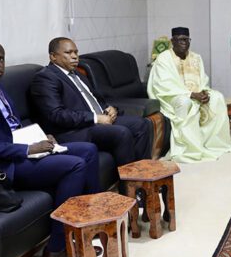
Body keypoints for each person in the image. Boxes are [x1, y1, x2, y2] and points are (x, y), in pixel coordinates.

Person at [0, 37, 101, 257]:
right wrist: (27, 149)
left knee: (88, 150)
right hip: (0, 164)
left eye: (0, 59)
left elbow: (13, 127)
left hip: (18, 149)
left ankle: (90, 224)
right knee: (74, 165)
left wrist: (41, 137)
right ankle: (57, 247)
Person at [30, 37, 152, 166]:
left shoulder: (76, 74)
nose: (74, 57)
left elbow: (96, 99)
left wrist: (110, 109)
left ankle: (144, 172)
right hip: (73, 131)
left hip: (95, 121)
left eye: (76, 52)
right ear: (53, 56)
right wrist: (95, 118)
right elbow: (57, 115)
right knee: (121, 132)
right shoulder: (45, 78)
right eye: (68, 53)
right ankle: (130, 178)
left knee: (142, 124)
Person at [147, 27, 231, 163]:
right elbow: (163, 85)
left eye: (187, 40)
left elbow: (202, 79)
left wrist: (204, 92)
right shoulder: (164, 58)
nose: (184, 43)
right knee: (185, 102)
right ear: (172, 41)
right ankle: (188, 148)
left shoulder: (196, 57)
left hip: (195, 94)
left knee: (217, 98)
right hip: (172, 97)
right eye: (181, 39)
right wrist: (191, 94)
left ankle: (211, 143)